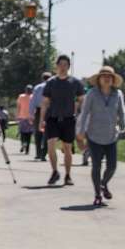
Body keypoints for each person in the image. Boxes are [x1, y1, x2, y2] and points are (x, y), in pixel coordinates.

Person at [76, 65, 125, 207]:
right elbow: (84, 113)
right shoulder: (92, 94)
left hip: (111, 136)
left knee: (112, 166)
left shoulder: (118, 94)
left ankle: (103, 183)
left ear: (113, 80)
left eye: (109, 77)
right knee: (96, 166)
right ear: (99, 79)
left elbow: (122, 112)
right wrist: (81, 131)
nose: (107, 79)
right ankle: (97, 195)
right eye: (104, 76)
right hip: (94, 136)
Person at [39, 55, 85, 186]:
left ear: (69, 67)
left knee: (67, 148)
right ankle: (55, 172)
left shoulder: (75, 82)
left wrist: (81, 115)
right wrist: (41, 119)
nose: (63, 67)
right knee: (50, 145)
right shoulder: (51, 82)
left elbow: (82, 100)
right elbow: (45, 102)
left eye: (65, 65)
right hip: (52, 118)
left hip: (69, 119)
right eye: (61, 64)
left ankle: (68, 175)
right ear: (57, 66)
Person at [28, 72, 51, 160]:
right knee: (48, 132)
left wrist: (30, 114)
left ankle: (38, 153)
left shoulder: (37, 87)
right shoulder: (52, 86)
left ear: (42, 78)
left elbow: (32, 101)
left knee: (38, 133)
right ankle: (43, 154)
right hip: (49, 110)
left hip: (38, 110)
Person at [16, 85, 34, 154]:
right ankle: (27, 150)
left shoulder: (21, 96)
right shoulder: (33, 97)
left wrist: (17, 115)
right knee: (29, 134)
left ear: (25, 90)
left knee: (22, 132)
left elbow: (18, 106)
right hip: (30, 118)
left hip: (22, 117)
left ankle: (23, 143)